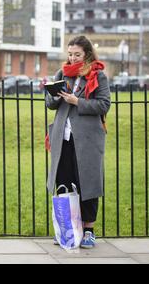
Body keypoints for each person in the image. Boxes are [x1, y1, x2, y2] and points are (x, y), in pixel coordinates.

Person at [46, 35, 111, 249]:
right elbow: (50, 104)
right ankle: (68, 229)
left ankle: (89, 231)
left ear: (87, 55)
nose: (72, 58)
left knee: (87, 184)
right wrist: (55, 95)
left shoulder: (98, 75)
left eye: (77, 55)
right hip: (63, 138)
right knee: (63, 182)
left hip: (88, 140)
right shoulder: (61, 73)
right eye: (70, 54)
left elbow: (103, 105)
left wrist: (77, 101)